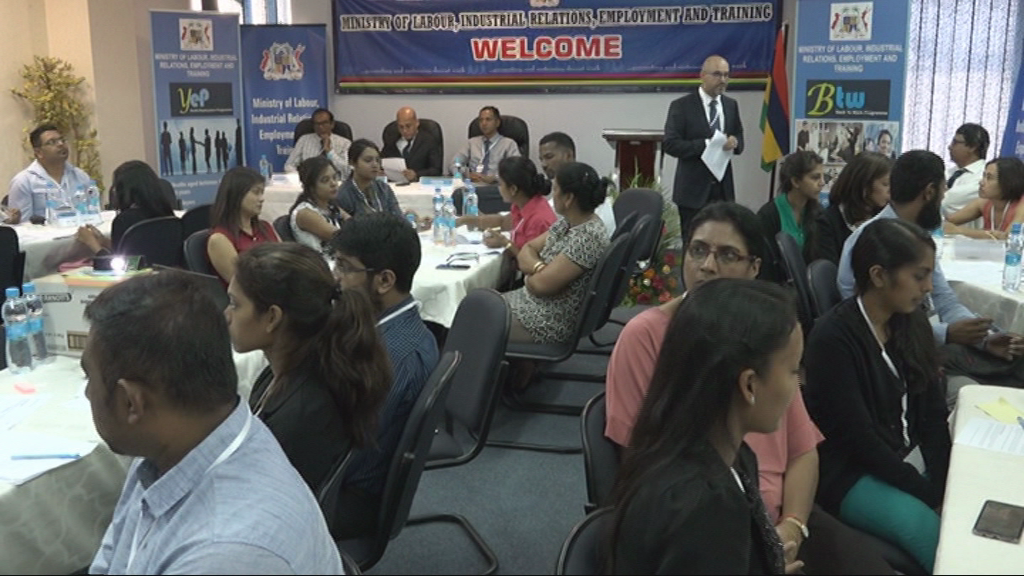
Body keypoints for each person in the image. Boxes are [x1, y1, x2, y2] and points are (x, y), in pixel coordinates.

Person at [605, 202, 891, 574]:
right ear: (749, 385)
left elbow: (803, 452)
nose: (708, 266)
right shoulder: (701, 503)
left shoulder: (739, 454)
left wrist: (791, 526)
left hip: (761, 521)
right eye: (698, 250)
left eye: (727, 255)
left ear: (755, 267)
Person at [83, 271, 342, 574]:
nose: (88, 393)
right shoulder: (175, 445)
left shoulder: (224, 553)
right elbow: (113, 561)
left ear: (131, 402)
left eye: (89, 378)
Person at [606, 279, 801, 575]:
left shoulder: (731, 455)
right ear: (749, 384)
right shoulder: (704, 509)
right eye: (793, 371)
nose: (796, 385)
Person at [805, 218, 952, 572]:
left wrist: (946, 479)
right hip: (852, 473)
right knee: (933, 536)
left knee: (965, 506)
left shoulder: (910, 320)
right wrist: (926, 493)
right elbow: (859, 440)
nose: (928, 287)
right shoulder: (832, 339)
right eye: (919, 276)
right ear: (879, 275)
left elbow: (933, 414)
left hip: (906, 456)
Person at [227, 243, 391, 536]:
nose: (226, 314)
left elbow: (257, 509)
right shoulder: (293, 368)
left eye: (235, 304)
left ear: (272, 318)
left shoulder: (301, 413)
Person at [838, 150, 1024, 398]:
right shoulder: (871, 242)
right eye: (943, 189)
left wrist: (982, 337)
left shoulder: (918, 236)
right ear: (929, 192)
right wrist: (946, 334)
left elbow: (944, 298)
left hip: (923, 340)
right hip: (893, 355)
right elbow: (869, 322)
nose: (944, 196)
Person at [329, 212, 439, 538]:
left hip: (349, 499)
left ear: (384, 281)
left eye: (344, 267)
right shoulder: (396, 332)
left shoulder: (393, 359)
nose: (335, 277)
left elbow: (346, 457)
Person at [503, 162, 610, 344]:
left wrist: (532, 275)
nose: (552, 196)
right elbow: (528, 249)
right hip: (532, 304)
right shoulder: (568, 222)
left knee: (473, 316)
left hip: (548, 321)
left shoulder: (587, 238)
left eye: (555, 190)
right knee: (474, 304)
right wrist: (540, 268)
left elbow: (541, 286)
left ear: (568, 198)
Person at [663, 55, 744, 238]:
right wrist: (707, 144)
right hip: (693, 192)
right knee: (693, 242)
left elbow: (739, 137)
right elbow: (671, 144)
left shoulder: (731, 105)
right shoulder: (682, 106)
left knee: (723, 241)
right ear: (702, 76)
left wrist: (735, 142)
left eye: (726, 75)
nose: (722, 80)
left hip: (723, 191)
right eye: (717, 74)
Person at [456, 156, 556, 255]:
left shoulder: (538, 220)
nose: (498, 188)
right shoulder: (523, 203)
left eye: (500, 184)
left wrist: (505, 243)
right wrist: (468, 220)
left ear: (513, 189)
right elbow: (503, 222)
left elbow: (531, 261)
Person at [75, 161, 176, 255]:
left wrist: (92, 243)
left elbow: (119, 264)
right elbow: (141, 250)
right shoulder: (167, 214)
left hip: (140, 269)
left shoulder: (125, 220)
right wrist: (103, 241)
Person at [757, 151, 825, 282]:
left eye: (823, 177)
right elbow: (765, 267)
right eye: (815, 177)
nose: (822, 183)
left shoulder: (819, 213)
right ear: (795, 181)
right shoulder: (769, 215)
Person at [208, 166, 280, 285]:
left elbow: (287, 260)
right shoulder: (219, 239)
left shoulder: (266, 227)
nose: (262, 199)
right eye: (256, 192)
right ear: (237, 194)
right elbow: (242, 284)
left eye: (262, 192)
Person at [816, 152, 892, 264]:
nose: (891, 191)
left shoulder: (883, 218)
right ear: (864, 185)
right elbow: (829, 270)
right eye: (886, 184)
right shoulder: (826, 222)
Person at [7, 123, 92, 224]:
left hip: (80, 232)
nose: (60, 144)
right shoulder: (23, 181)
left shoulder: (80, 176)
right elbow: (22, 225)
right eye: (52, 142)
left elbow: (92, 213)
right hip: (44, 233)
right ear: (39, 152)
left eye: (62, 140)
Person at [944, 157, 1024, 240]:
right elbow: (947, 223)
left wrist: (958, 231)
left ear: (1008, 182)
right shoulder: (984, 202)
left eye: (989, 178)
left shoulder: (1021, 204)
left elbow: (1009, 238)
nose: (981, 182)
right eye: (984, 176)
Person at [289, 156, 351, 257]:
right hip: (319, 264)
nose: (333, 183)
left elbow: (354, 224)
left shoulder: (330, 206)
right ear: (311, 187)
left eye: (335, 177)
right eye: (325, 180)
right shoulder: (305, 213)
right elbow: (341, 238)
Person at [450, 106, 520, 184]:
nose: (484, 123)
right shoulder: (471, 143)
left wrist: (495, 178)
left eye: (488, 119)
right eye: (481, 120)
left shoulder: (509, 144)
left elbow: (515, 170)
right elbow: (455, 164)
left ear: (497, 122)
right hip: (473, 185)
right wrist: (467, 174)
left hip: (497, 186)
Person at [336, 139, 404, 218]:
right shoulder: (343, 195)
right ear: (352, 162)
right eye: (368, 160)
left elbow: (399, 219)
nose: (375, 165)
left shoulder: (383, 188)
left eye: (377, 160)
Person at [284, 108, 352, 180]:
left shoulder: (345, 143)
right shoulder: (303, 140)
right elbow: (289, 165)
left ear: (332, 124)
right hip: (309, 182)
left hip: (335, 182)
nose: (320, 127)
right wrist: (301, 179)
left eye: (324, 123)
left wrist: (329, 152)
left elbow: (346, 171)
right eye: (317, 124)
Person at [941, 123, 990, 221]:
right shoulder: (949, 173)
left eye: (955, 142)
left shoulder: (984, 177)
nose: (949, 147)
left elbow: (946, 201)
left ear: (973, 147)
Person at [380, 106, 442, 181]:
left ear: (417, 123)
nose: (405, 130)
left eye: (408, 126)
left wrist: (416, 175)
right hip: (394, 184)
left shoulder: (429, 141)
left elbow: (436, 170)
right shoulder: (392, 141)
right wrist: (380, 172)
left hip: (418, 184)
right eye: (401, 127)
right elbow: (382, 162)